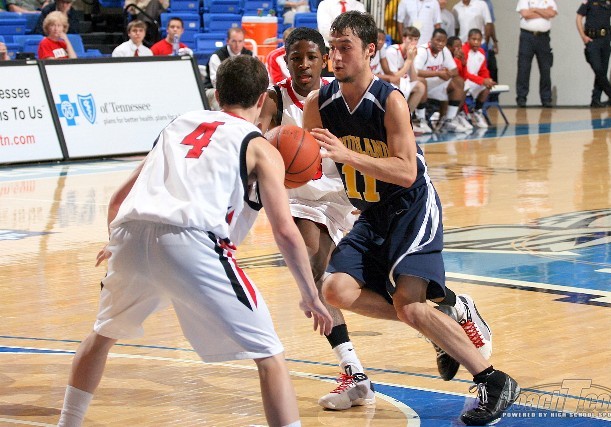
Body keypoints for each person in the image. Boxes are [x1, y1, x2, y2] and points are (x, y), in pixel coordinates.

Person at [56, 54, 333, 427]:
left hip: (130, 234)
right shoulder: (259, 146)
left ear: (217, 93)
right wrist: (309, 294)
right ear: (262, 100)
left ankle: (67, 423)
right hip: (192, 241)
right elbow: (285, 231)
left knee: (102, 335)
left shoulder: (178, 124)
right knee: (270, 356)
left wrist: (115, 243)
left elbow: (119, 199)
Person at [303, 11, 519, 425]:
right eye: (332, 48)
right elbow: (309, 161)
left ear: (370, 50)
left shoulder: (390, 100)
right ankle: (444, 318)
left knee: (411, 306)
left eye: (345, 48)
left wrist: (348, 155)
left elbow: (406, 171)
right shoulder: (320, 103)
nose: (336, 57)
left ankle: (493, 381)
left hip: (412, 207)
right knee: (335, 290)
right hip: (371, 213)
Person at [258, 26, 375, 411]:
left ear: (324, 59)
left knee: (382, 286)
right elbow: (254, 141)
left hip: (342, 198)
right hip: (301, 200)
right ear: (286, 60)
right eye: (296, 58)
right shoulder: (274, 98)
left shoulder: (336, 95)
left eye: (312, 57)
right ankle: (353, 371)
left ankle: (454, 308)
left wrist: (363, 192)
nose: (304, 64)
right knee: (313, 269)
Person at [413, 28, 468, 132]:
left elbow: (455, 70)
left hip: (436, 84)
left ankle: (449, 120)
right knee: (421, 81)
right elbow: (416, 72)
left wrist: (448, 74)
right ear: (431, 39)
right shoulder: (423, 50)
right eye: (438, 40)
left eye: (443, 41)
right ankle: (420, 120)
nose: (440, 44)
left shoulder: (444, 51)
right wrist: (438, 73)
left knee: (459, 81)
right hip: (421, 84)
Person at [384, 26, 429, 133]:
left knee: (420, 86)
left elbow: (414, 79)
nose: (413, 42)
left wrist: (411, 60)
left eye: (416, 39)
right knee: (401, 88)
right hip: (388, 83)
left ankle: (407, 120)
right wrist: (408, 60)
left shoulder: (412, 53)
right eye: (410, 39)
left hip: (402, 83)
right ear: (404, 39)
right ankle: (397, 122)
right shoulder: (392, 51)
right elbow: (394, 78)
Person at [515, 0, 557, 108]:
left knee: (545, 68)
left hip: (543, 37)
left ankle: (546, 98)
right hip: (527, 36)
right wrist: (544, 13)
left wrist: (535, 9)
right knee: (524, 68)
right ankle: (521, 97)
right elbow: (525, 14)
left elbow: (552, 13)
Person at [205, 27, 254, 110]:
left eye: (240, 41)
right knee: (218, 95)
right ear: (228, 41)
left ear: (243, 42)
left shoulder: (250, 55)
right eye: (234, 41)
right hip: (216, 90)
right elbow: (216, 83)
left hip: (242, 91)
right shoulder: (217, 57)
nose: (237, 45)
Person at [461, 29, 495, 127]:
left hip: (474, 81)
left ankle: (477, 111)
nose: (476, 42)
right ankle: (462, 113)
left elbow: (483, 70)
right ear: (468, 39)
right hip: (463, 80)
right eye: (473, 39)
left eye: (479, 40)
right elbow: (464, 73)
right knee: (466, 85)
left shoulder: (481, 52)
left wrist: (487, 79)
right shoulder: (463, 51)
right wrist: (482, 80)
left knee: (487, 86)